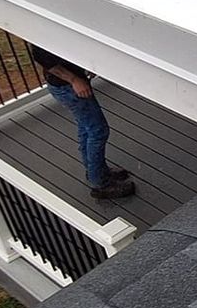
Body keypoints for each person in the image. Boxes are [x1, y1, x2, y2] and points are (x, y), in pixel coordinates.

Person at [29, 44, 135, 199]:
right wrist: (74, 80)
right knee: (98, 131)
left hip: (68, 85)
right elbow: (46, 61)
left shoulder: (59, 31)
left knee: (86, 129)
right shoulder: (42, 37)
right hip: (67, 88)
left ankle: (96, 172)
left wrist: (86, 65)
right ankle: (100, 184)